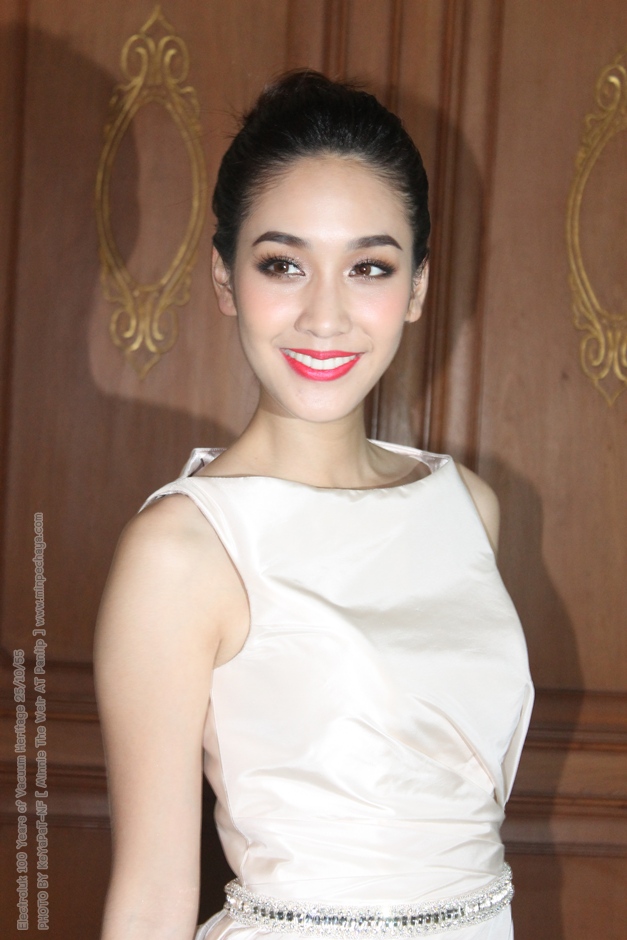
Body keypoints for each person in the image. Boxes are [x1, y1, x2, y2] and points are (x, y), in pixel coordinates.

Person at [94, 70, 534, 940]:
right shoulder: (183, 551)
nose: (324, 316)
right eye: (283, 265)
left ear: (416, 288)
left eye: (368, 267)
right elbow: (147, 901)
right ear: (225, 279)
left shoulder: (467, 508)